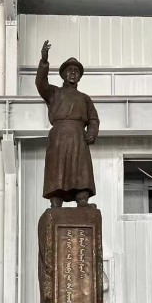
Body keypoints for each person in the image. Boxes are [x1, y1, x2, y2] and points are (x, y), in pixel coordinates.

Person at [36, 40, 100, 208]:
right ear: (63, 74)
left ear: (79, 76)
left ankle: (82, 198)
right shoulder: (54, 93)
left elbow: (93, 119)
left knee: (80, 168)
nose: (73, 73)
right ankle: (56, 199)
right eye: (69, 70)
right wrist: (44, 61)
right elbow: (40, 83)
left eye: (76, 71)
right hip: (59, 136)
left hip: (79, 136)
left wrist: (92, 132)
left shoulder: (85, 98)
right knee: (58, 168)